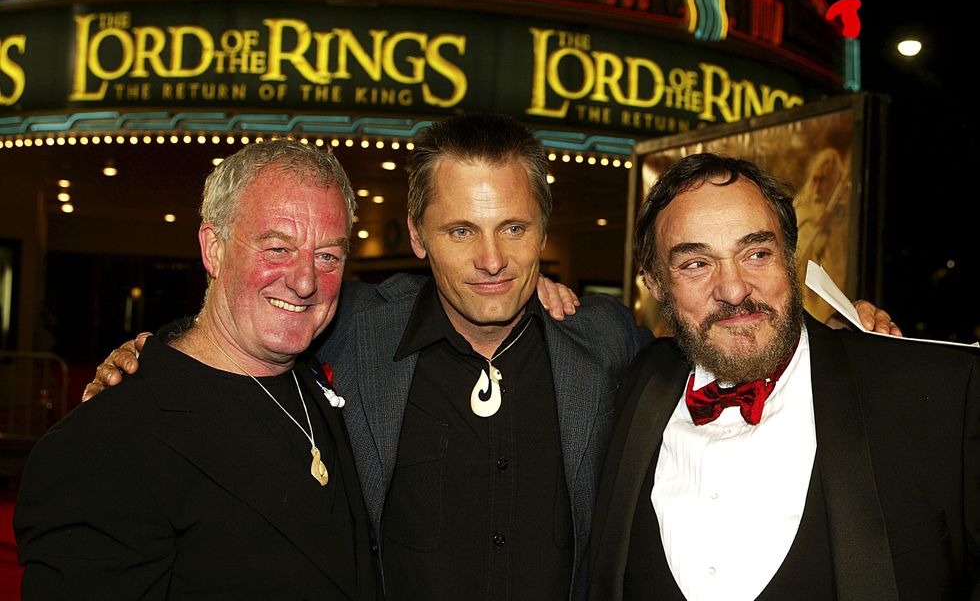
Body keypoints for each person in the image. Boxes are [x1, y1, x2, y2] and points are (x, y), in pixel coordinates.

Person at [87, 116, 899, 600]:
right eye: (460, 230)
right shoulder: (351, 332)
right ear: (415, 235)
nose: (491, 260)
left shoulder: (607, 341)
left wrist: (839, 351)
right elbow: (251, 319)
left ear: (542, 232)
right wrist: (146, 354)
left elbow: (727, 339)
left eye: (513, 228)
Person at [588, 152, 979, 600]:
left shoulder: (936, 395)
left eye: (756, 253)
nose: (733, 289)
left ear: (789, 260)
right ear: (656, 285)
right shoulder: (635, 381)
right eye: (696, 263)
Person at [15, 141, 379, 600]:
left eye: (327, 255)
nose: (305, 282)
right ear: (214, 248)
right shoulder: (103, 442)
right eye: (277, 248)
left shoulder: (336, 370)